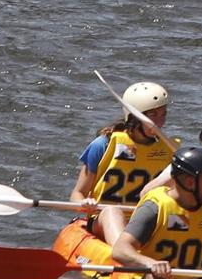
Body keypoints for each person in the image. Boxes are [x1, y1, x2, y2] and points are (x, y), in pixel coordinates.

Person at [108, 144, 202, 279]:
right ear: (190, 182)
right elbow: (120, 250)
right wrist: (149, 263)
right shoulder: (154, 207)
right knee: (155, 277)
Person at [71, 80, 177, 246]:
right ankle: (124, 253)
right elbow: (77, 194)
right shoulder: (103, 145)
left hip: (144, 223)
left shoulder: (169, 151)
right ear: (134, 117)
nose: (160, 122)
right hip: (104, 220)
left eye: (163, 114)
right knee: (112, 211)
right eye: (153, 116)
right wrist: (84, 203)